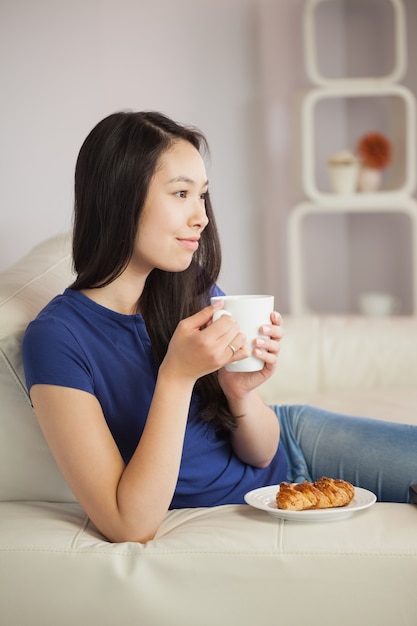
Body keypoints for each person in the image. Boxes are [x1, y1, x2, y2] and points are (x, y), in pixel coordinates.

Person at [23, 111, 417, 543]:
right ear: (118, 197)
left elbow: (265, 451)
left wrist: (239, 393)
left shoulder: (189, 287)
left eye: (203, 196)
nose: (202, 218)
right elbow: (129, 524)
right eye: (181, 194)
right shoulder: (57, 338)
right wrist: (176, 377)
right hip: (264, 498)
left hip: (297, 442)